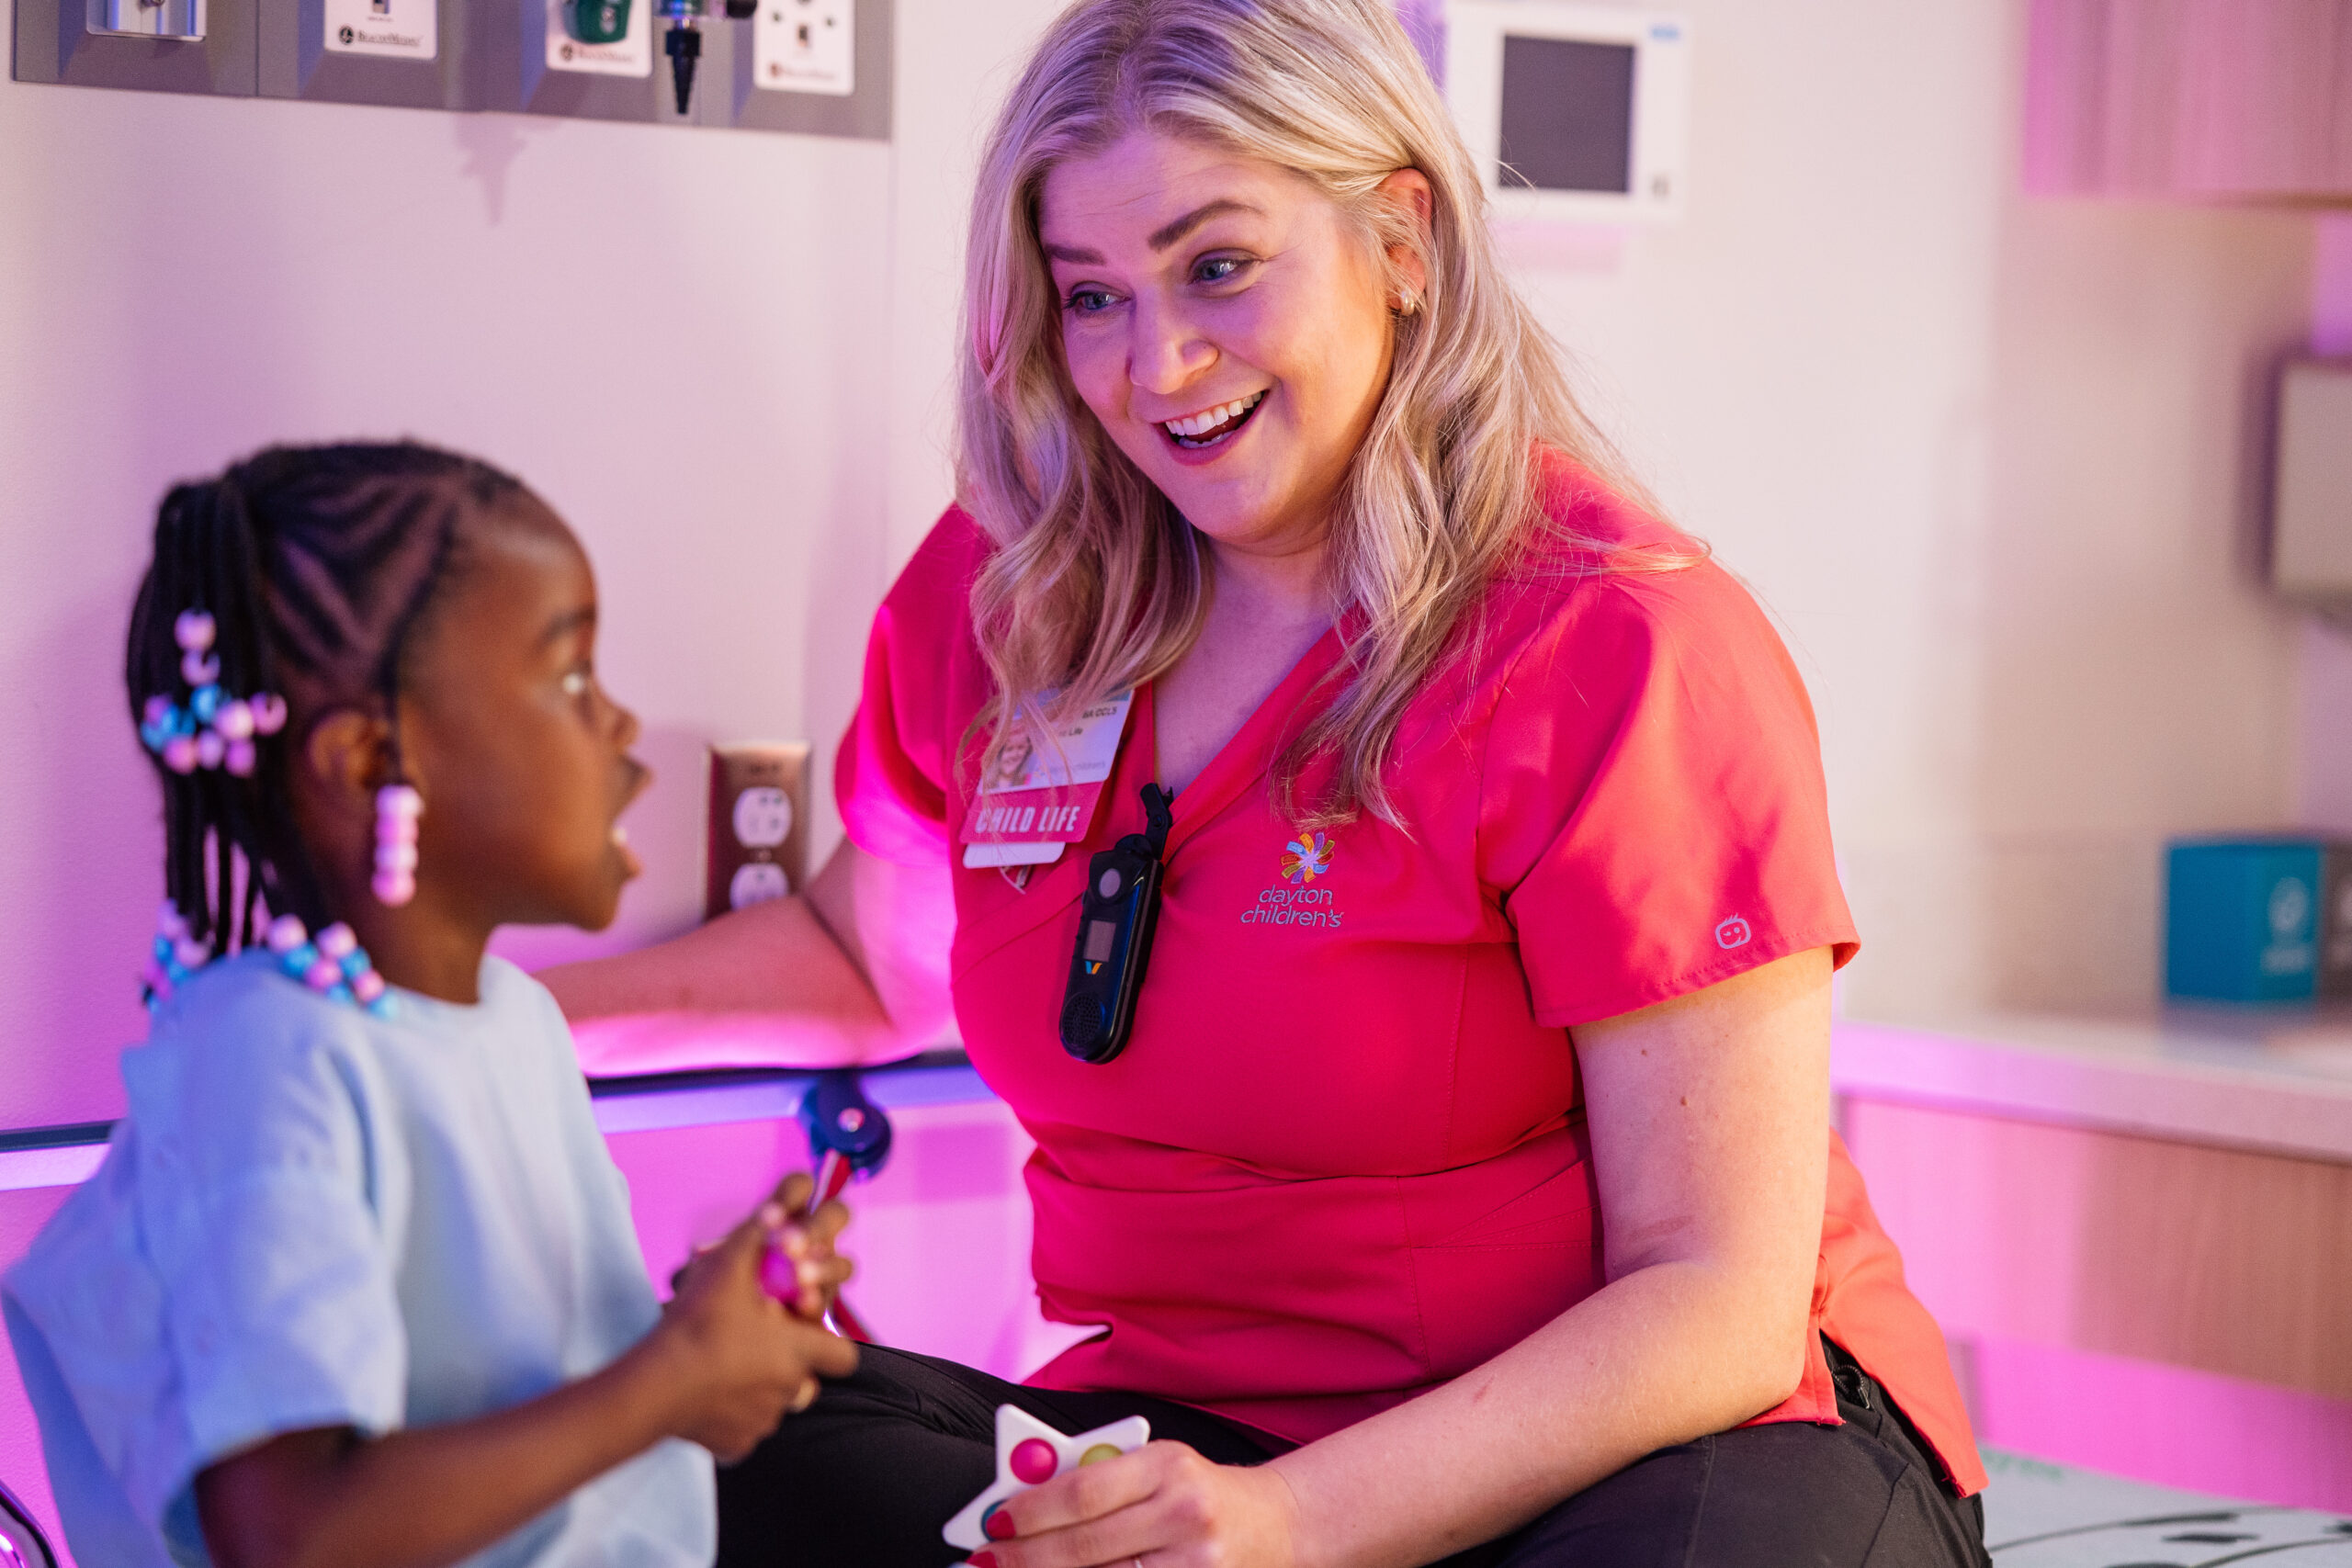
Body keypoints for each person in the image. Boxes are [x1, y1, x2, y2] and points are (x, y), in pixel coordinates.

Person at [545, 1, 1995, 1562]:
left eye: (1219, 265)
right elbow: (862, 957)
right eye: (1090, 294)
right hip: (1196, 1433)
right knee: (690, 1442)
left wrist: (1290, 1523)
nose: (1154, 363)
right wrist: (454, 1025)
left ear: (1403, 241)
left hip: (1667, 1444)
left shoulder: (1618, 644)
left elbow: (1717, 1298)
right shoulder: (1005, 600)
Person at [3, 443, 860, 1568]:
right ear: (368, 761)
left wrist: (711, 1331)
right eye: (571, 681)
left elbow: (506, 1406)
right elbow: (292, 1536)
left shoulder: (515, 1021)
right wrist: (671, 1380)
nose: (619, 727)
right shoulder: (265, 1060)